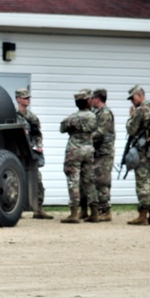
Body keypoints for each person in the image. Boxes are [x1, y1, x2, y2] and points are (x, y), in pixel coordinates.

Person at [125, 85, 150, 225]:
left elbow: (131, 130)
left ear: (139, 95)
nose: (132, 101)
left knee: (142, 183)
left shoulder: (141, 110)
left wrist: (131, 118)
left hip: (142, 152)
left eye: (132, 98)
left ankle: (142, 215)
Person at [59, 89, 98, 224]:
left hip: (74, 150)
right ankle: (94, 212)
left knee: (73, 180)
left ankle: (74, 213)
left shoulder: (72, 118)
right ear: (87, 102)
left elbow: (62, 128)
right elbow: (93, 128)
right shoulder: (93, 116)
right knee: (89, 180)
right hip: (88, 150)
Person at [15, 88, 53, 219]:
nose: (27, 100)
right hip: (16, 154)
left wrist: (40, 146)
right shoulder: (12, 117)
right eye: (25, 98)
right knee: (16, 182)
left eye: (28, 98)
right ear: (18, 99)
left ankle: (38, 209)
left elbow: (37, 134)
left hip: (30, 153)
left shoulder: (32, 117)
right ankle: (15, 209)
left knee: (37, 180)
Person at [89, 88, 116, 222]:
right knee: (96, 179)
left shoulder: (105, 114)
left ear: (97, 99)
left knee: (103, 180)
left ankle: (105, 210)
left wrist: (86, 138)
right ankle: (100, 208)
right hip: (98, 152)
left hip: (105, 152)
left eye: (92, 98)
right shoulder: (97, 113)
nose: (91, 100)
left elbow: (100, 132)